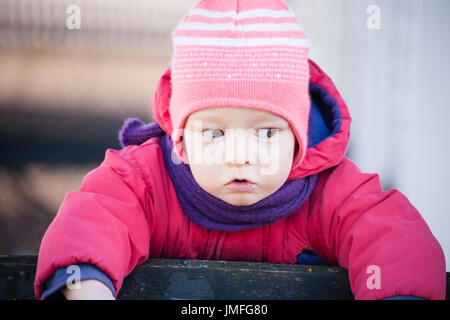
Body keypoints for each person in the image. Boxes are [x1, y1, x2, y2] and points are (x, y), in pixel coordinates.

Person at [34, 0, 446, 300]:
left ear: (298, 134)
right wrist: (85, 283)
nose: (241, 155)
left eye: (267, 133)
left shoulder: (326, 192)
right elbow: (99, 211)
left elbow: (387, 230)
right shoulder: (150, 180)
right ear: (181, 137)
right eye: (214, 133)